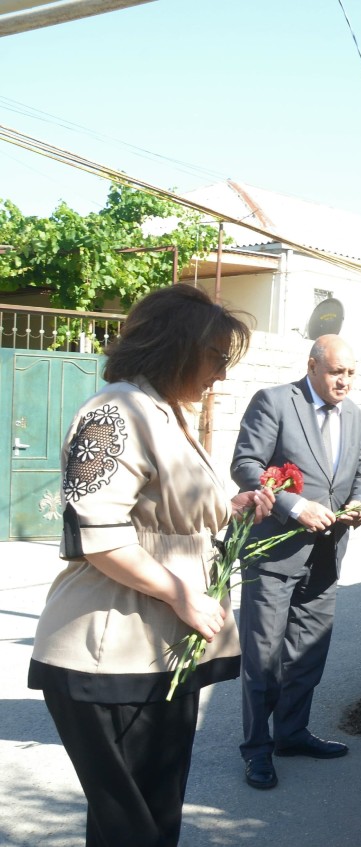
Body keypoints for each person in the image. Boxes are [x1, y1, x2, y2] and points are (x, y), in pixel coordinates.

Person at [28, 284, 275, 847]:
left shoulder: (167, 414)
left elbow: (168, 518)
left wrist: (230, 511)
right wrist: (180, 593)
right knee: (132, 829)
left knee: (152, 821)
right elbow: (99, 536)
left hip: (160, 649)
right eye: (215, 357)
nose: (221, 374)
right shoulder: (116, 412)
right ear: (177, 347)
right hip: (109, 655)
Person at [231, 334, 361, 790]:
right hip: (274, 552)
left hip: (328, 554)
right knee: (264, 657)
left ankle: (291, 734)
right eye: (337, 372)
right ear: (312, 366)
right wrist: (293, 505)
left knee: (307, 653)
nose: (344, 382)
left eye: (350, 373)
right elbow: (246, 465)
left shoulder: (355, 416)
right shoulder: (274, 402)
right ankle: (257, 750)